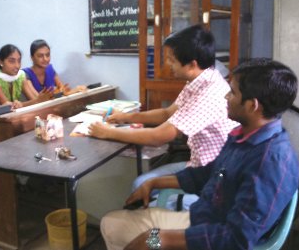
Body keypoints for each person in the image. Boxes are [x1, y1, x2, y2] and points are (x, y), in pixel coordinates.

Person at [100, 58, 299, 250]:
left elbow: (235, 239)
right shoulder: (243, 136)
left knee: (147, 240)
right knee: (112, 225)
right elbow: (206, 174)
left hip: (211, 238)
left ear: (252, 105)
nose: (226, 97)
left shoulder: (270, 162)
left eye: (232, 92)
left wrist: (161, 238)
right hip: (200, 219)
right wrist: (153, 183)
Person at [89, 25, 238, 209]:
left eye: (172, 60)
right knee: (141, 184)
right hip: (197, 165)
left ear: (192, 64)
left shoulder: (208, 93)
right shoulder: (202, 79)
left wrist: (107, 133)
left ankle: (154, 234)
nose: (168, 64)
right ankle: (148, 227)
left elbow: (158, 136)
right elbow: (167, 113)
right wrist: (126, 117)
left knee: (150, 210)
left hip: (209, 177)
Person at [0, 44, 52, 109]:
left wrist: (40, 98)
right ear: (0, 62)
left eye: (19, 61)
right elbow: (9, 107)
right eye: (12, 61)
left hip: (17, 114)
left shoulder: (20, 75)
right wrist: (37, 100)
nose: (17, 66)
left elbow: (33, 99)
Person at [23, 39, 87, 98]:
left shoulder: (50, 69)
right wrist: (57, 93)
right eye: (40, 56)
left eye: (47, 55)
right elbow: (36, 100)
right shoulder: (25, 74)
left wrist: (77, 90)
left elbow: (64, 92)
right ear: (32, 58)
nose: (45, 59)